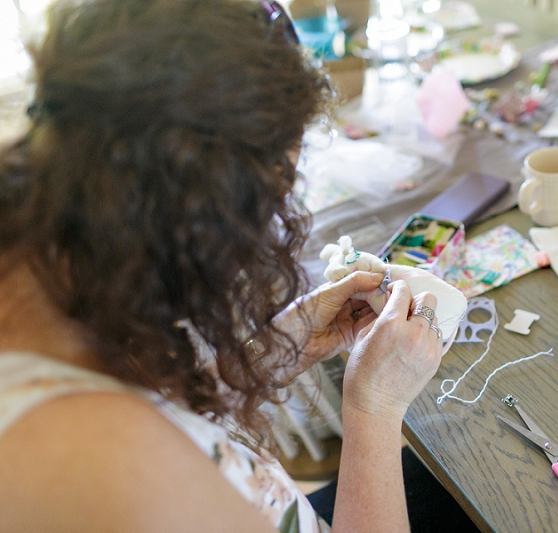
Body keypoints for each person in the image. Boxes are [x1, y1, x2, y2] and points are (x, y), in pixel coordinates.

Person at [0, 0, 453, 531]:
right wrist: (373, 409)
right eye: (267, 203)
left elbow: (164, 411)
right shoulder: (103, 460)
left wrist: (271, 353)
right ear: (196, 213)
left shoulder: (51, 258)